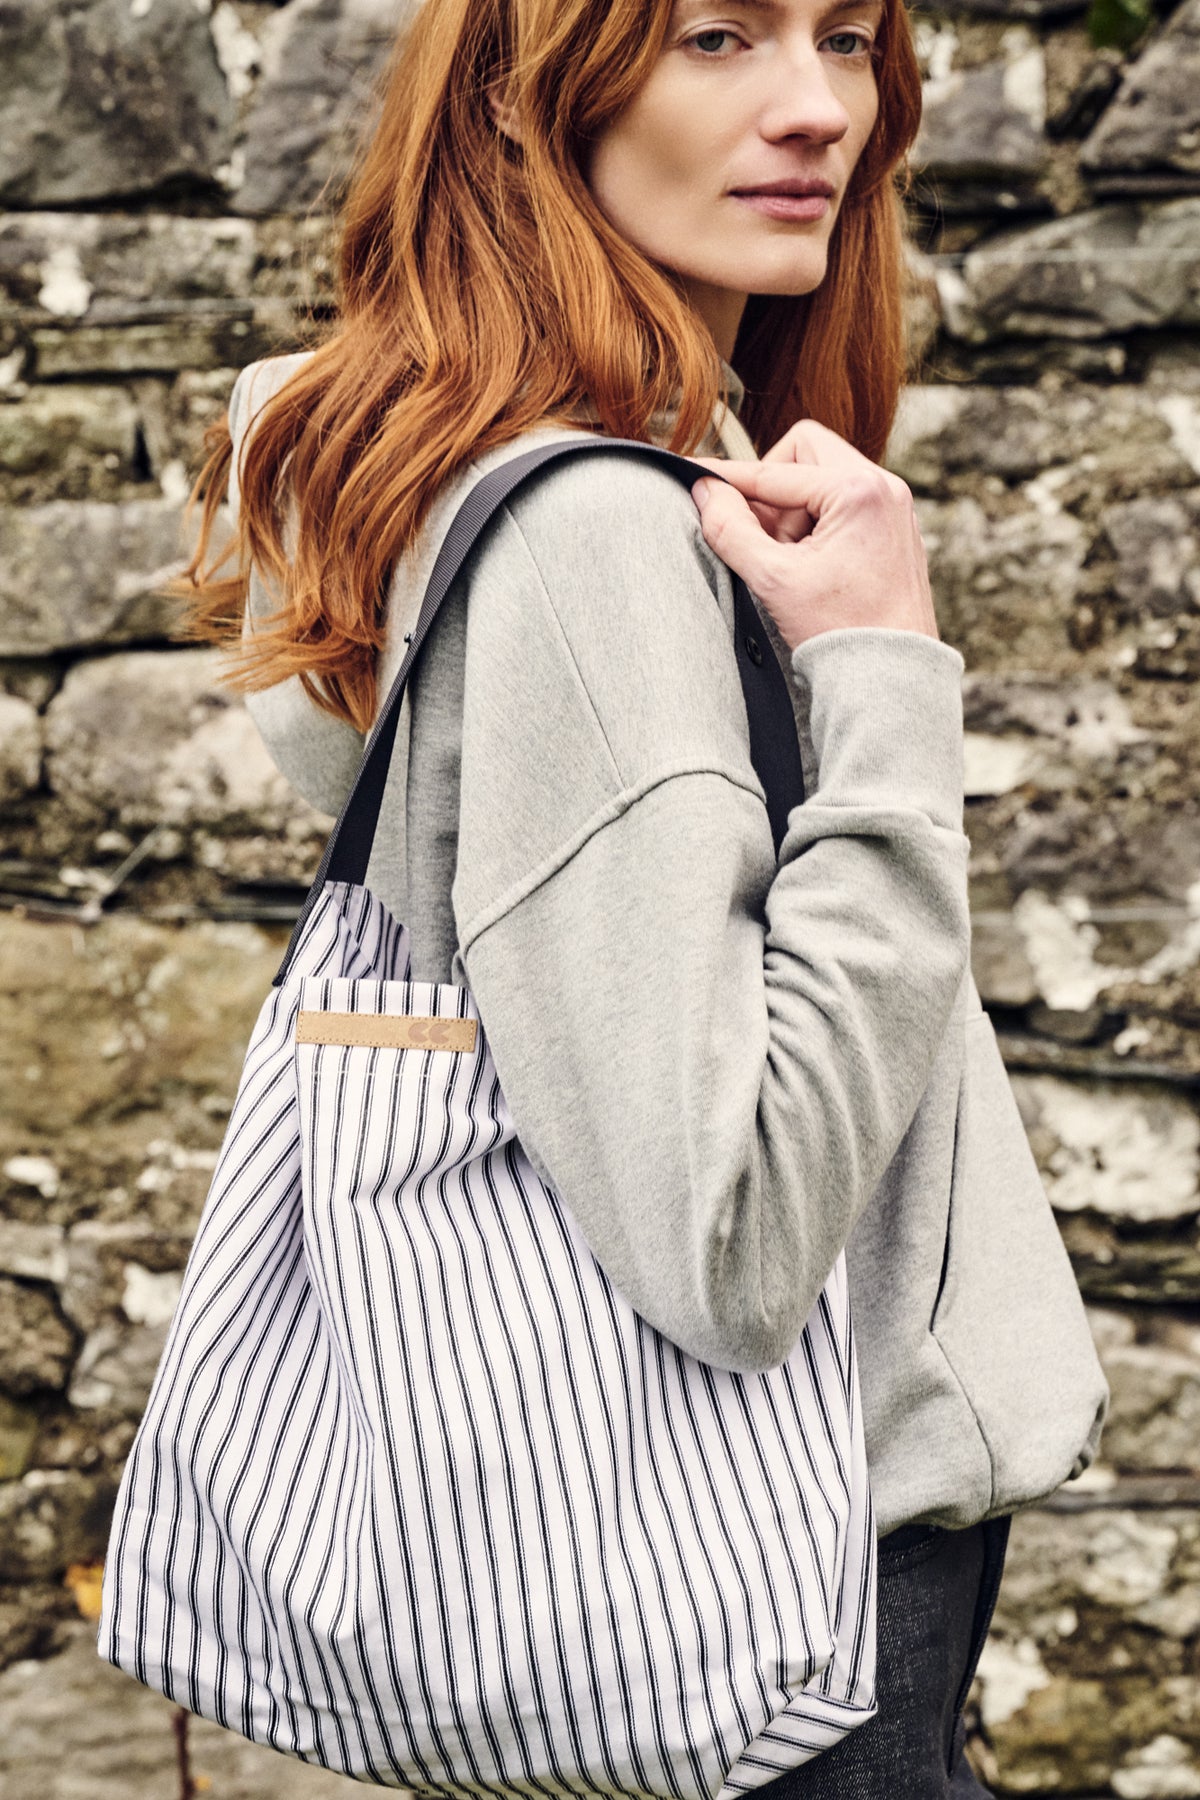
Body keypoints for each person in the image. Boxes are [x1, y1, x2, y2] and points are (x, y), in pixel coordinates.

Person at [179, 0, 1107, 1790]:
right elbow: (738, 1237)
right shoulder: (596, 540)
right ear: (534, 100)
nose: (816, 108)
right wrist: (890, 683)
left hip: (660, 1554)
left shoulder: (438, 471)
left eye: (846, 39)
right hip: (796, 1581)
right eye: (715, 38)